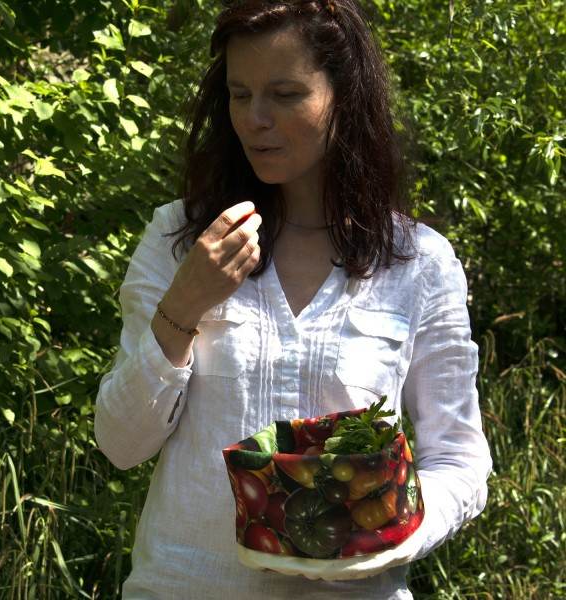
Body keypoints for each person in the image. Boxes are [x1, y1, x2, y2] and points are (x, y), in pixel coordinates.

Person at [94, 1, 493, 598]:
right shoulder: (182, 239)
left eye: (284, 94)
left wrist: (392, 531)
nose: (255, 118)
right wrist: (184, 306)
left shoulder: (418, 262)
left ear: (344, 96)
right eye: (238, 94)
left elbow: (459, 459)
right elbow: (121, 444)